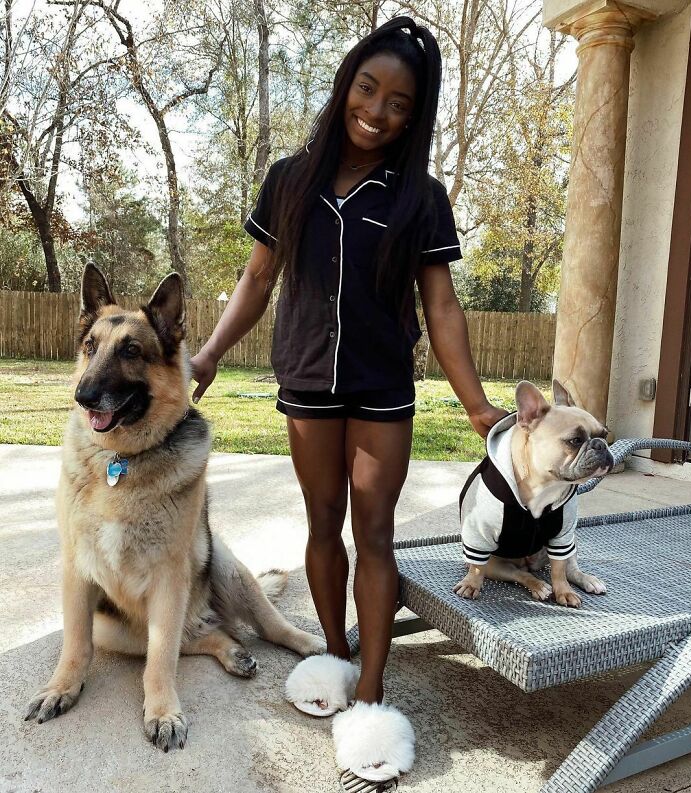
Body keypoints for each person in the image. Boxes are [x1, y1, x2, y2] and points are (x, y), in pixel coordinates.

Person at [190, 16, 506, 792]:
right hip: (304, 377)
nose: (378, 109)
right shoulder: (289, 178)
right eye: (368, 87)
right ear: (346, 87)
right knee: (322, 521)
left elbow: (442, 305)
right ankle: (333, 653)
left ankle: (370, 692)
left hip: (381, 388)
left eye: (400, 102)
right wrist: (207, 352)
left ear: (414, 115)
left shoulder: (420, 198)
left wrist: (476, 404)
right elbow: (258, 280)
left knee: (375, 531)